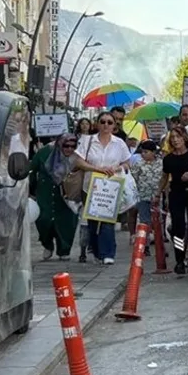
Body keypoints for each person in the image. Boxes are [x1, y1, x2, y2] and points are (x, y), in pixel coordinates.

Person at [32, 134, 112, 260]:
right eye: (66, 146)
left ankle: (64, 249)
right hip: (45, 192)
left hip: (68, 195)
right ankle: (47, 245)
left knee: (67, 223)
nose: (69, 149)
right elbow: (32, 170)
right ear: (59, 144)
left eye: (73, 146)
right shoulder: (44, 153)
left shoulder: (78, 157)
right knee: (44, 220)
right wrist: (31, 191)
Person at [78, 111, 132, 265]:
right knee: (93, 221)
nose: (106, 125)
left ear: (114, 125)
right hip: (90, 186)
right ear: (97, 123)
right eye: (103, 122)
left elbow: (128, 162)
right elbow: (79, 162)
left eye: (109, 122)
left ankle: (108, 252)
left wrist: (117, 168)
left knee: (108, 220)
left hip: (111, 186)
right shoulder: (88, 141)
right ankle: (96, 251)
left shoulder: (119, 143)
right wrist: (97, 169)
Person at [161, 127, 188, 274]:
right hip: (176, 194)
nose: (175, 140)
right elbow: (165, 177)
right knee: (178, 228)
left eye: (178, 136)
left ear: (184, 138)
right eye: (172, 137)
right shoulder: (168, 159)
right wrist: (159, 194)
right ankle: (179, 259)